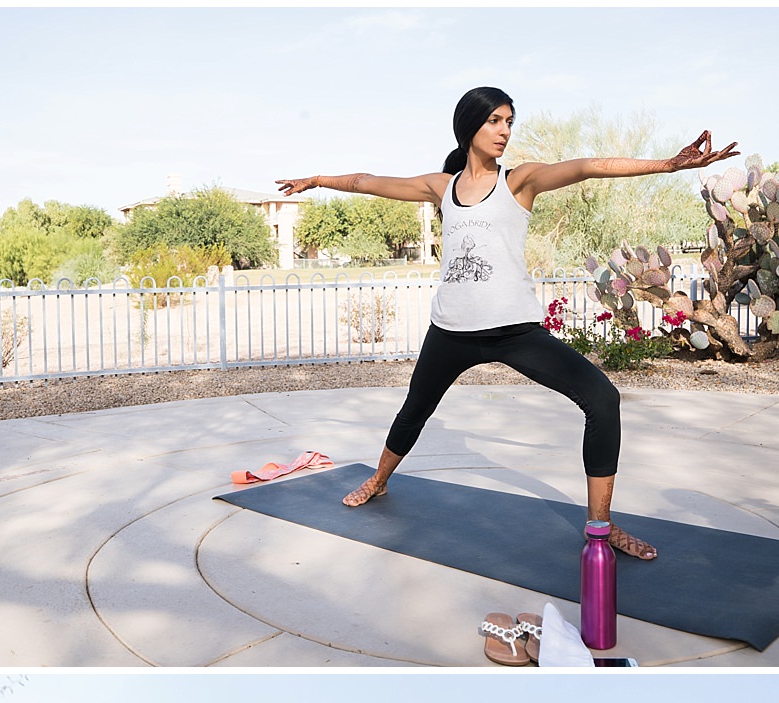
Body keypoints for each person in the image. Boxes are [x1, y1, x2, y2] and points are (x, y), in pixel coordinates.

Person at [277, 88, 738, 562]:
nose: (504, 131)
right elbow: (368, 181)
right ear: (469, 126)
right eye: (494, 121)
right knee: (414, 410)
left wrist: (666, 165)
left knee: (603, 398)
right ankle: (378, 479)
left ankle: (600, 525)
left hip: (515, 330)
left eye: (509, 122)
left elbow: (585, 166)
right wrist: (317, 179)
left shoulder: (520, 181)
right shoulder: (442, 187)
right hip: (451, 330)